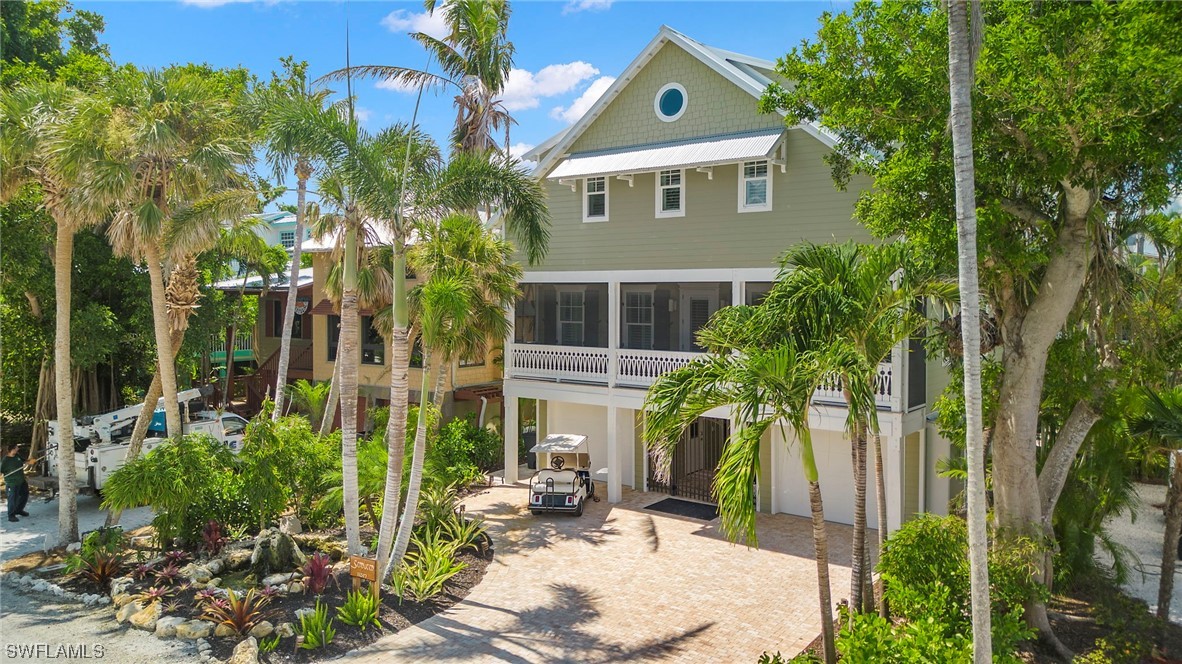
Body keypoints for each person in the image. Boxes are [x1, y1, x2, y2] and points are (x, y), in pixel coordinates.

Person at [3, 443, 31, 523]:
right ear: (12, 449)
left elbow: (26, 461)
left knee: (25, 494)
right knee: (13, 498)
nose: (18, 448)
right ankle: (11, 515)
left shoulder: (17, 456)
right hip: (12, 482)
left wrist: (31, 461)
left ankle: (19, 510)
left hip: (21, 480)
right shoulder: (5, 460)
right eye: (16, 447)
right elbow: (1, 470)